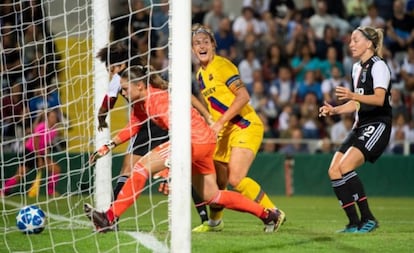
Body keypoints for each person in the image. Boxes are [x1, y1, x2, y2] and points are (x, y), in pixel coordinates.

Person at [83, 66, 284, 233]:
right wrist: (110, 144)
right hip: (203, 142)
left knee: (140, 168)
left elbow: (179, 133)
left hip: (192, 140)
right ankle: (268, 215)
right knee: (213, 196)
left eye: (125, 89)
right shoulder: (141, 102)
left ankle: (108, 217)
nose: (123, 93)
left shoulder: (158, 101)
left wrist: (170, 171)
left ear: (139, 85)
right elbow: (134, 125)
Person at [191, 24, 285, 232]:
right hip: (224, 131)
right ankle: (215, 222)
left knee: (235, 178)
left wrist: (219, 123)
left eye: (206, 41)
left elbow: (244, 96)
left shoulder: (223, 66)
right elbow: (212, 104)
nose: (202, 46)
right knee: (216, 179)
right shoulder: (200, 75)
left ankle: (273, 212)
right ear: (192, 49)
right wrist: (207, 117)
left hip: (245, 125)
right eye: (197, 43)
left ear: (213, 45)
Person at [319, 26, 392, 233]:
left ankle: (368, 218)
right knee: (334, 170)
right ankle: (353, 223)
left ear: (369, 43)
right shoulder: (356, 68)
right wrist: (335, 110)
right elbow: (357, 103)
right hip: (360, 125)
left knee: (346, 167)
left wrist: (353, 96)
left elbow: (378, 99)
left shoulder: (379, 66)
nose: (351, 44)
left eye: (355, 40)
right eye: (351, 40)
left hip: (378, 123)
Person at [95, 42, 169, 202]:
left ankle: (110, 213)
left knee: (127, 170)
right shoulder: (142, 68)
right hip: (164, 119)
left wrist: (101, 118)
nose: (111, 74)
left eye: (111, 69)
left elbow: (108, 102)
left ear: (120, 64)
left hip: (146, 122)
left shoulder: (121, 77)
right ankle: (206, 217)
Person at [1, 109, 61, 196]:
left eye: (55, 117)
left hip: (40, 153)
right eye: (52, 117)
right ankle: (4, 190)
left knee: (56, 169)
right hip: (30, 152)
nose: (54, 118)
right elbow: (35, 142)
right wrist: (39, 158)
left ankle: (51, 192)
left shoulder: (54, 131)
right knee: (20, 174)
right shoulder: (42, 126)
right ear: (47, 118)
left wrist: (45, 155)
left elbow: (45, 144)